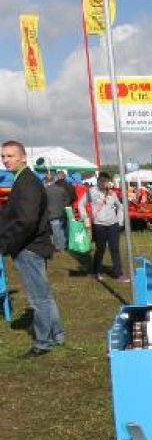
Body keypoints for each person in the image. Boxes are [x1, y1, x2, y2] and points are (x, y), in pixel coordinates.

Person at [0, 140, 65, 357]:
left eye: (11, 156)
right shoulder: (23, 180)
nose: (6, 160)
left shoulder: (27, 182)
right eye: (3, 156)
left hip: (29, 248)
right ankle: (57, 335)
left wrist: (7, 244)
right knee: (44, 296)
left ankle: (43, 343)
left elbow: (26, 221)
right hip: (32, 246)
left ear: (23, 158)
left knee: (39, 299)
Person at [82, 171, 127, 281]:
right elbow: (81, 204)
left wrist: (120, 222)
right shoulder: (90, 192)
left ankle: (118, 273)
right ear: (98, 181)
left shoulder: (112, 193)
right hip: (99, 225)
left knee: (115, 249)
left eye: (106, 181)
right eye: (102, 181)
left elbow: (120, 207)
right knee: (100, 249)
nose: (104, 183)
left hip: (113, 225)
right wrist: (86, 219)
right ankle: (96, 271)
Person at [44, 173, 71, 252]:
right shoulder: (61, 189)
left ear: (46, 181)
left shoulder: (45, 190)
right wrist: (62, 207)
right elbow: (67, 200)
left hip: (51, 213)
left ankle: (59, 248)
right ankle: (63, 247)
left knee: (56, 232)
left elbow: (44, 203)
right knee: (61, 231)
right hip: (61, 213)